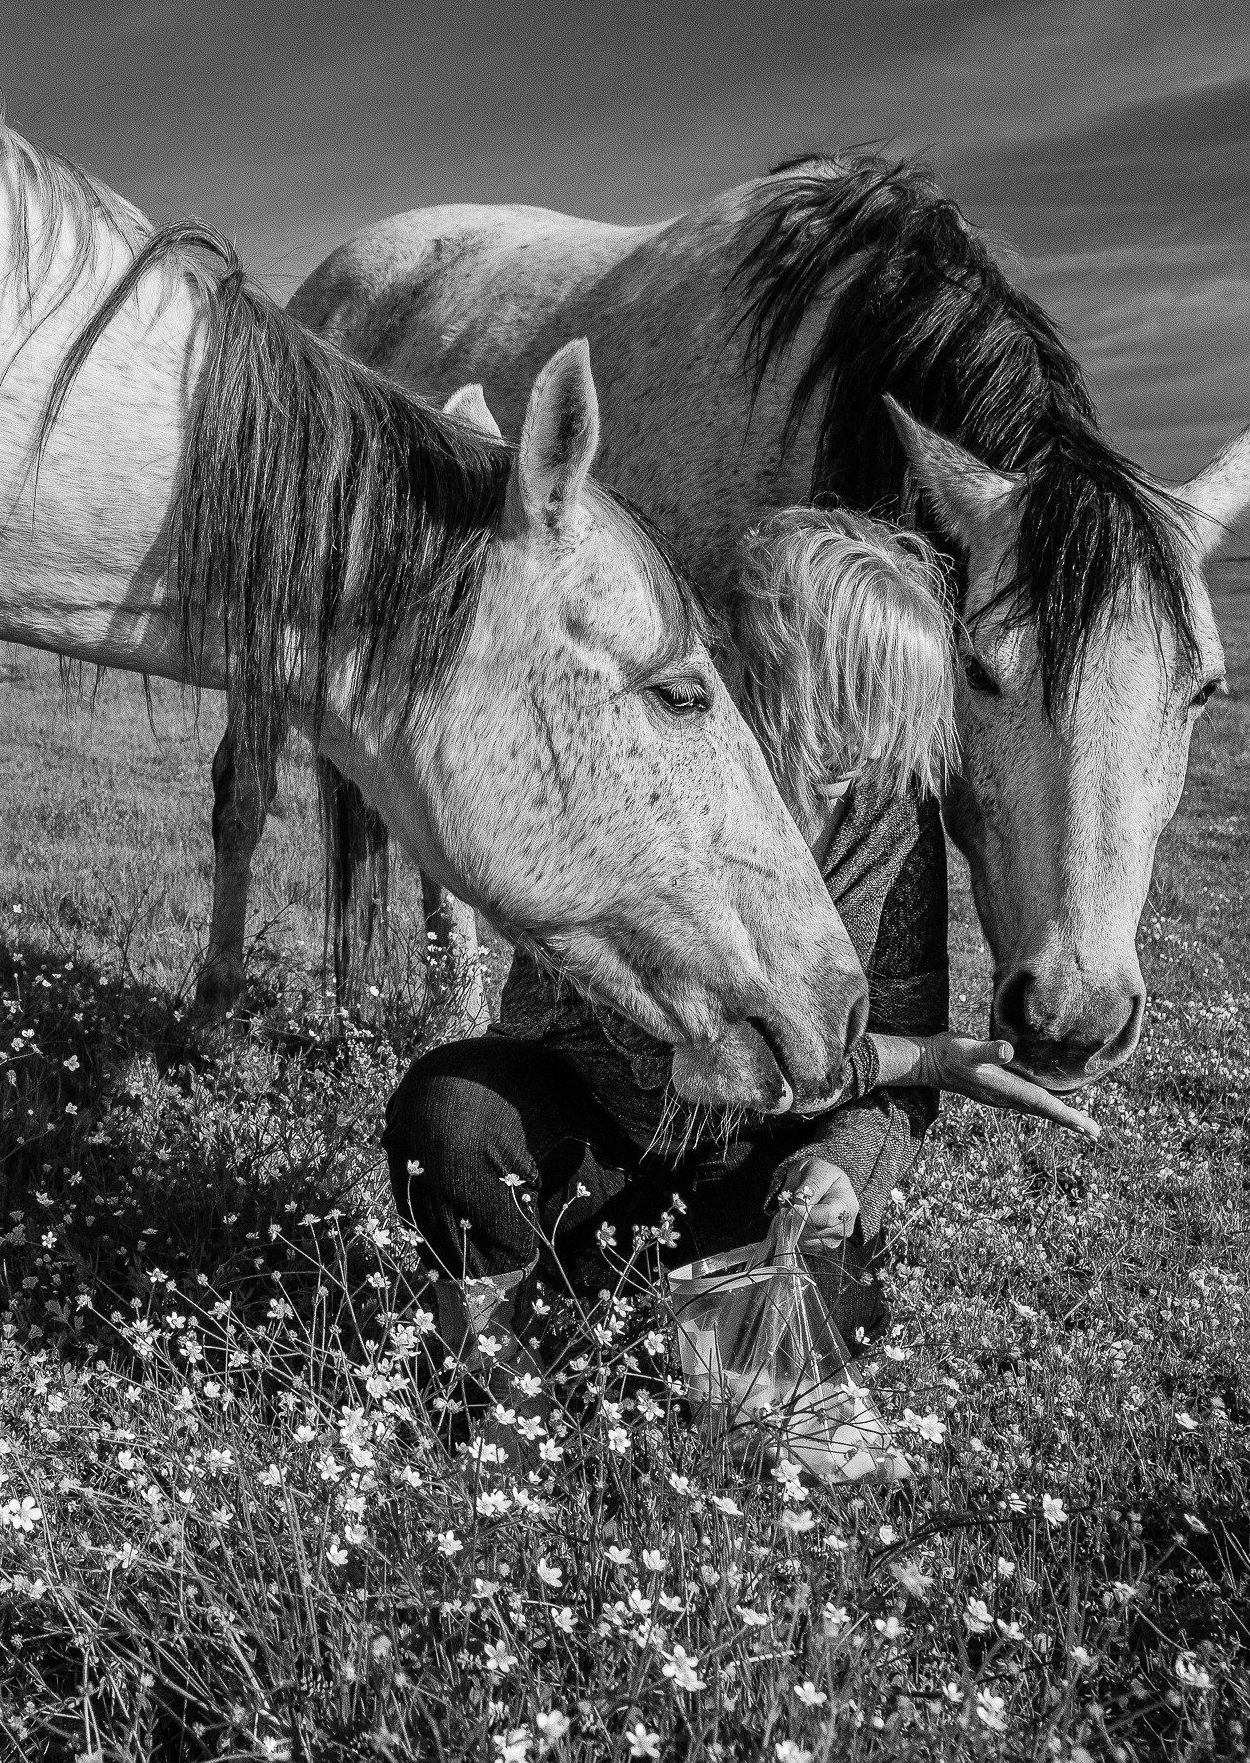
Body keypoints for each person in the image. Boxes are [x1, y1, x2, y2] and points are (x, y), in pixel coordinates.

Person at [381, 506, 1094, 1468]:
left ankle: (592, 1319)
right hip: (594, 1134)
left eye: (893, 714)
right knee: (452, 1111)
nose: (869, 747)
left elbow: (888, 1046)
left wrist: (843, 1168)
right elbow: (676, 1057)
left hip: (750, 1169)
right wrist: (916, 1060)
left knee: (816, 1295)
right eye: (847, 701)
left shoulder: (888, 818)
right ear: (766, 668)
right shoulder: (657, 784)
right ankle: (502, 1374)